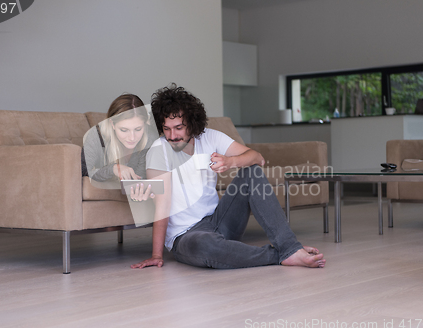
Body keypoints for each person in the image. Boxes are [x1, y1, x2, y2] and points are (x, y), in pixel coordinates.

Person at [131, 84, 325, 269]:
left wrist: (230, 162)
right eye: (167, 128)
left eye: (179, 127)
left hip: (219, 220)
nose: (172, 135)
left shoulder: (210, 137)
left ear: (191, 122)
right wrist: (157, 255)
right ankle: (285, 254)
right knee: (206, 246)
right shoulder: (159, 151)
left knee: (251, 169)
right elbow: (162, 207)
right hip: (187, 236)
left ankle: (289, 246)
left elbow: (257, 157)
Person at [82, 93, 158, 202]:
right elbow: (83, 172)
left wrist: (140, 190)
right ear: (112, 124)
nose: (132, 138)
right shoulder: (96, 136)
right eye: (124, 130)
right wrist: (113, 169)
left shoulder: (149, 138)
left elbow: (141, 178)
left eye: (138, 129)